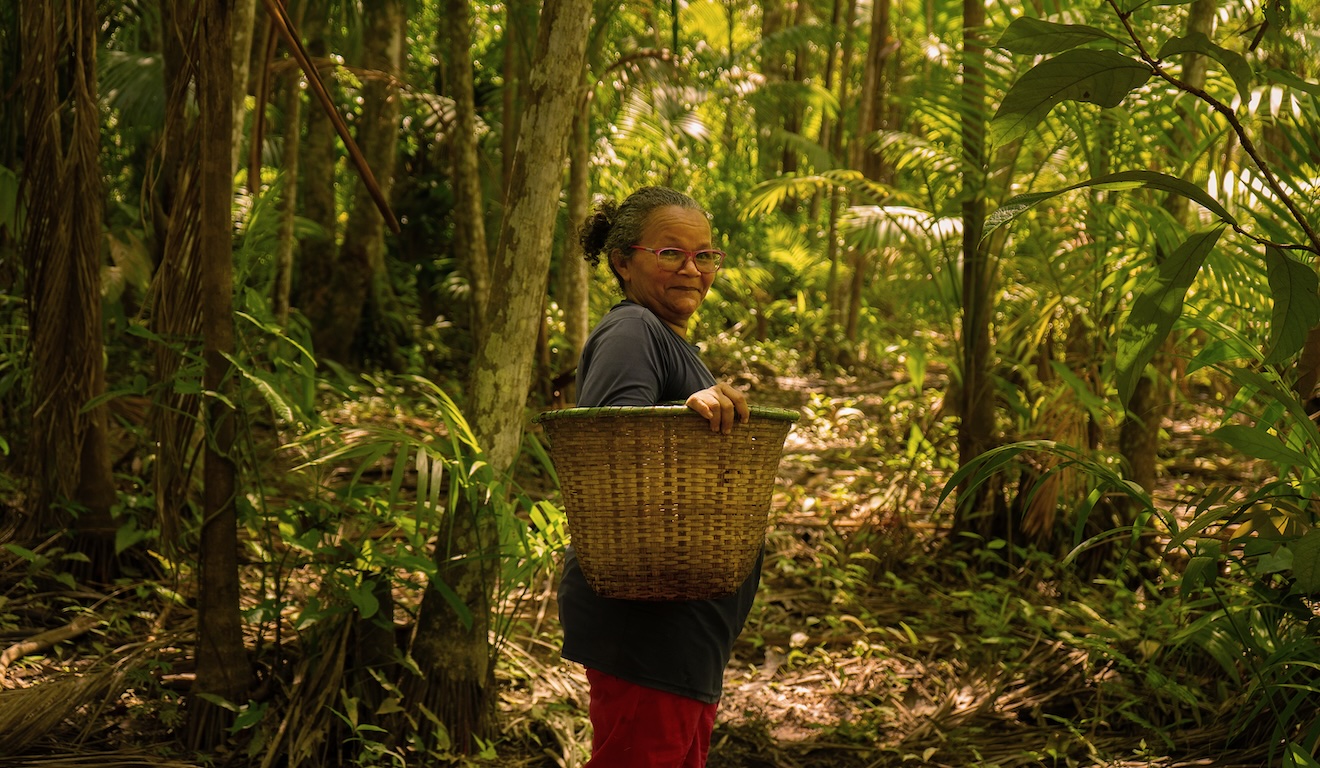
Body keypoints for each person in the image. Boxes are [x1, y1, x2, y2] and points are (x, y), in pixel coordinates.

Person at [558, 186, 758, 767]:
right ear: (624, 261)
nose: (692, 269)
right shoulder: (632, 332)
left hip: (683, 632)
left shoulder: (666, 338)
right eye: (671, 253)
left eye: (705, 256)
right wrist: (684, 408)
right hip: (648, 626)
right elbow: (616, 455)